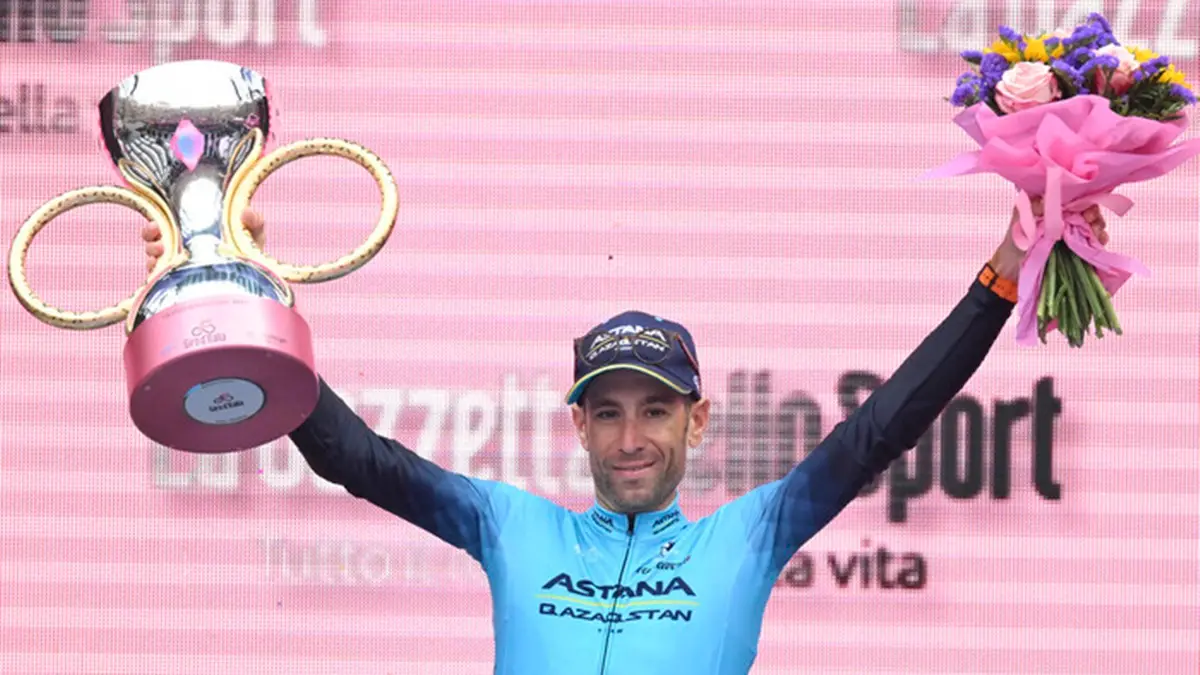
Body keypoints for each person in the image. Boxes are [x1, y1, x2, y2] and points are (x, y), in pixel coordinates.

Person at [144, 200, 1108, 674]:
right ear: (579, 424)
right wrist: (239, 298)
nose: (631, 436)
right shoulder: (508, 524)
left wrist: (1002, 275)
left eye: (655, 409)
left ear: (698, 419)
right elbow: (357, 459)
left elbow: (879, 430)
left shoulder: (752, 532)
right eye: (608, 411)